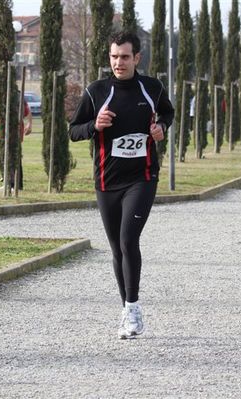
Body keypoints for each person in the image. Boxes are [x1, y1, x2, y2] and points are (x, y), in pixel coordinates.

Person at [69, 31, 174, 340]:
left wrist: (161, 128)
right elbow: (73, 131)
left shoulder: (151, 88)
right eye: (114, 57)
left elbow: (167, 112)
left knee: (129, 240)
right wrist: (94, 125)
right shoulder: (96, 92)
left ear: (136, 58)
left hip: (141, 178)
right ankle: (126, 307)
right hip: (106, 181)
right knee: (117, 248)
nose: (118, 62)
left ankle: (133, 307)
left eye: (125, 57)